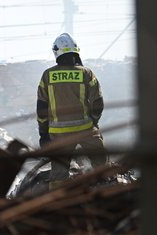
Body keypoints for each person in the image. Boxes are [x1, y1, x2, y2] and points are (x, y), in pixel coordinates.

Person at [36, 33, 107, 189]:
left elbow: (41, 108)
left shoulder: (48, 75)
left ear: (57, 52)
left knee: (58, 176)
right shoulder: (87, 73)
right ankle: (107, 196)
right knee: (102, 167)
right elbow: (98, 102)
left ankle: (57, 205)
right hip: (86, 130)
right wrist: (93, 122)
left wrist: (43, 134)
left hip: (58, 134)